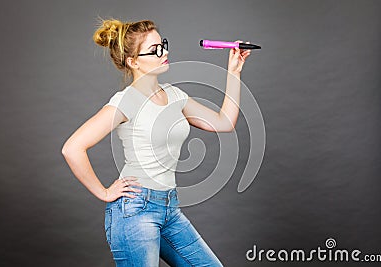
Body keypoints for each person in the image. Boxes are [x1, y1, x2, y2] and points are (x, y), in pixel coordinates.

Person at [61, 18, 251, 267]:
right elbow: (72, 148)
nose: (165, 52)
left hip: (169, 208)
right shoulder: (126, 101)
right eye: (154, 50)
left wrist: (234, 72)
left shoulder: (175, 95)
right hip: (135, 211)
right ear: (133, 62)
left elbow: (223, 122)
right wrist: (105, 192)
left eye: (163, 44)